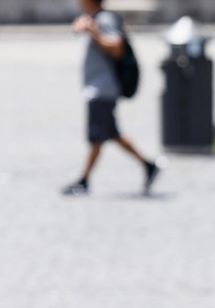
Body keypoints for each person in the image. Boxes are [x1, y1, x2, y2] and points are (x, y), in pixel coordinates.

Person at [63, 0, 160, 197]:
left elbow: (116, 47)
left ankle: (84, 180)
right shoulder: (95, 18)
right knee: (110, 133)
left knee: (98, 136)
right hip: (98, 87)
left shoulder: (104, 19)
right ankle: (148, 165)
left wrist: (92, 31)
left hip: (102, 88)